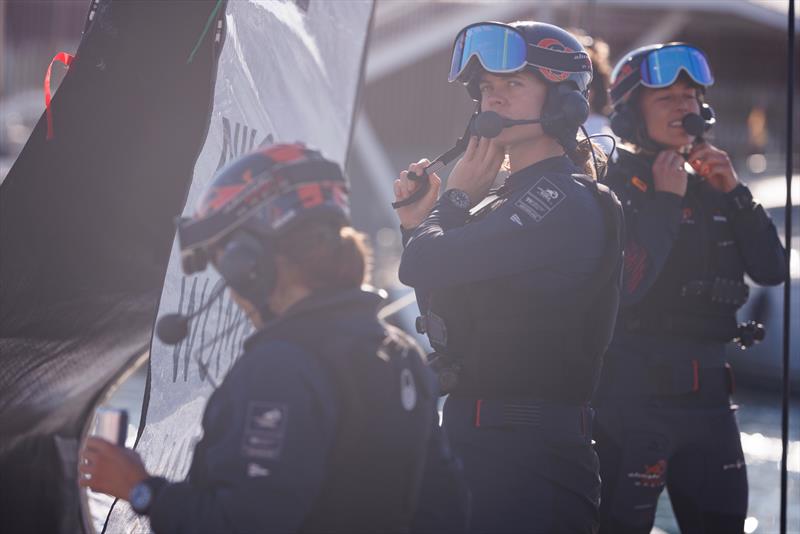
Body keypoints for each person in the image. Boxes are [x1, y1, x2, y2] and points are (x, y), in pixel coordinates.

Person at [79, 143, 464, 533]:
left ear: (249, 266)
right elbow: (445, 510)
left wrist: (141, 489)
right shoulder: (401, 355)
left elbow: (242, 525)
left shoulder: (281, 367)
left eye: (224, 264)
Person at [393, 21, 625, 534]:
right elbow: (439, 291)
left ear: (565, 103)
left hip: (524, 457)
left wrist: (451, 202)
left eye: (513, 86)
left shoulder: (561, 199)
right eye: (486, 90)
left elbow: (424, 265)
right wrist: (419, 223)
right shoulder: (505, 198)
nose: (493, 100)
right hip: (478, 441)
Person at [593, 43, 787, 533]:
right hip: (634, 404)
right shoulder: (611, 185)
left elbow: (771, 270)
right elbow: (627, 287)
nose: (684, 108)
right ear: (633, 113)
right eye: (667, 99)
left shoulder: (716, 185)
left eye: (690, 97)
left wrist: (736, 193)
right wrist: (662, 202)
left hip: (712, 408)